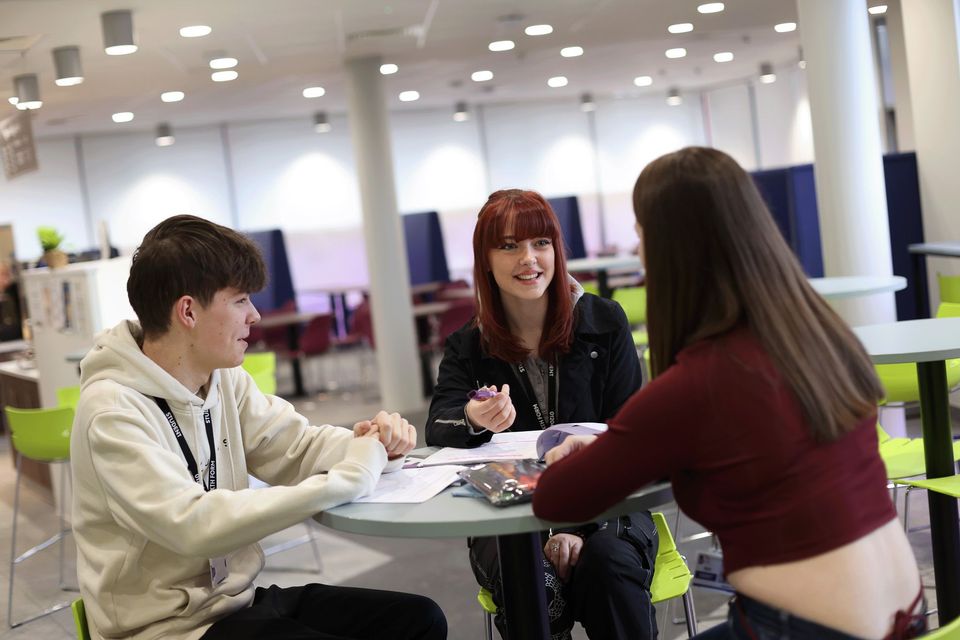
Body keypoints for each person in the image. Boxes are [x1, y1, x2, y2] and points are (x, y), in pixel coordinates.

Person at [533, 147, 925, 639]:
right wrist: (616, 447)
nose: (638, 253)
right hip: (904, 613)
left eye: (642, 235)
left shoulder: (700, 382)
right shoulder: (820, 336)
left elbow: (556, 497)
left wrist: (576, 454)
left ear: (675, 250)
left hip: (806, 628)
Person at [70, 215, 447, 640]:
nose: (254, 315)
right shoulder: (113, 410)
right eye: (240, 300)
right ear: (188, 311)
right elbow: (193, 526)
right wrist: (348, 478)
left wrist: (369, 444)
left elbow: (294, 446)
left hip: (234, 603)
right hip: (164, 630)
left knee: (419, 619)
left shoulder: (223, 377)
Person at [425, 190, 658, 640]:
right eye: (509, 246)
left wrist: (582, 531)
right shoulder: (468, 344)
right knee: (533, 580)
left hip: (607, 506)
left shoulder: (604, 322)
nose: (528, 259)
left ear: (557, 250)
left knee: (606, 564)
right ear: (485, 260)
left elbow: (629, 436)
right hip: (508, 518)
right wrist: (473, 416)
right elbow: (439, 423)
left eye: (541, 243)